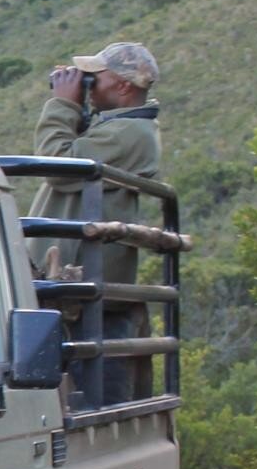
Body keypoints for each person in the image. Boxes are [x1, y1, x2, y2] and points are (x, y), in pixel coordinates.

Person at [30, 39, 163, 401]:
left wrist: (62, 104)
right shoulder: (120, 129)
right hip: (73, 282)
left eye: (95, 77)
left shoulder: (131, 134)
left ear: (122, 85)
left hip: (81, 287)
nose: (88, 83)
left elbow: (58, 165)